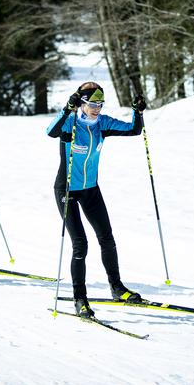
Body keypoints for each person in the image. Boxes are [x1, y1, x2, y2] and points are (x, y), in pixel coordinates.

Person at [46, 81, 148, 318]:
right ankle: (80, 298)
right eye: (92, 104)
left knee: (107, 238)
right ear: (81, 103)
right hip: (67, 190)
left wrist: (138, 112)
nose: (96, 109)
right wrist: (66, 109)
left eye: (100, 104)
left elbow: (133, 129)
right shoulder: (70, 123)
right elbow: (50, 132)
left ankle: (117, 288)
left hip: (91, 189)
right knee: (80, 244)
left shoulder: (102, 124)